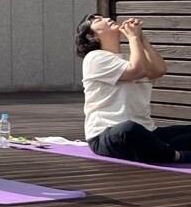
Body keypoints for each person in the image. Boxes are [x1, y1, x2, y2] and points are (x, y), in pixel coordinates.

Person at [78, 14, 187, 162]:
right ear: (92, 36)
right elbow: (138, 70)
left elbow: (159, 70)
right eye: (98, 20)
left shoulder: (132, 57)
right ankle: (177, 156)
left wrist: (141, 38)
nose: (106, 19)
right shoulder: (95, 58)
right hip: (106, 134)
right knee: (129, 129)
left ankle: (159, 149)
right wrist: (133, 38)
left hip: (148, 131)